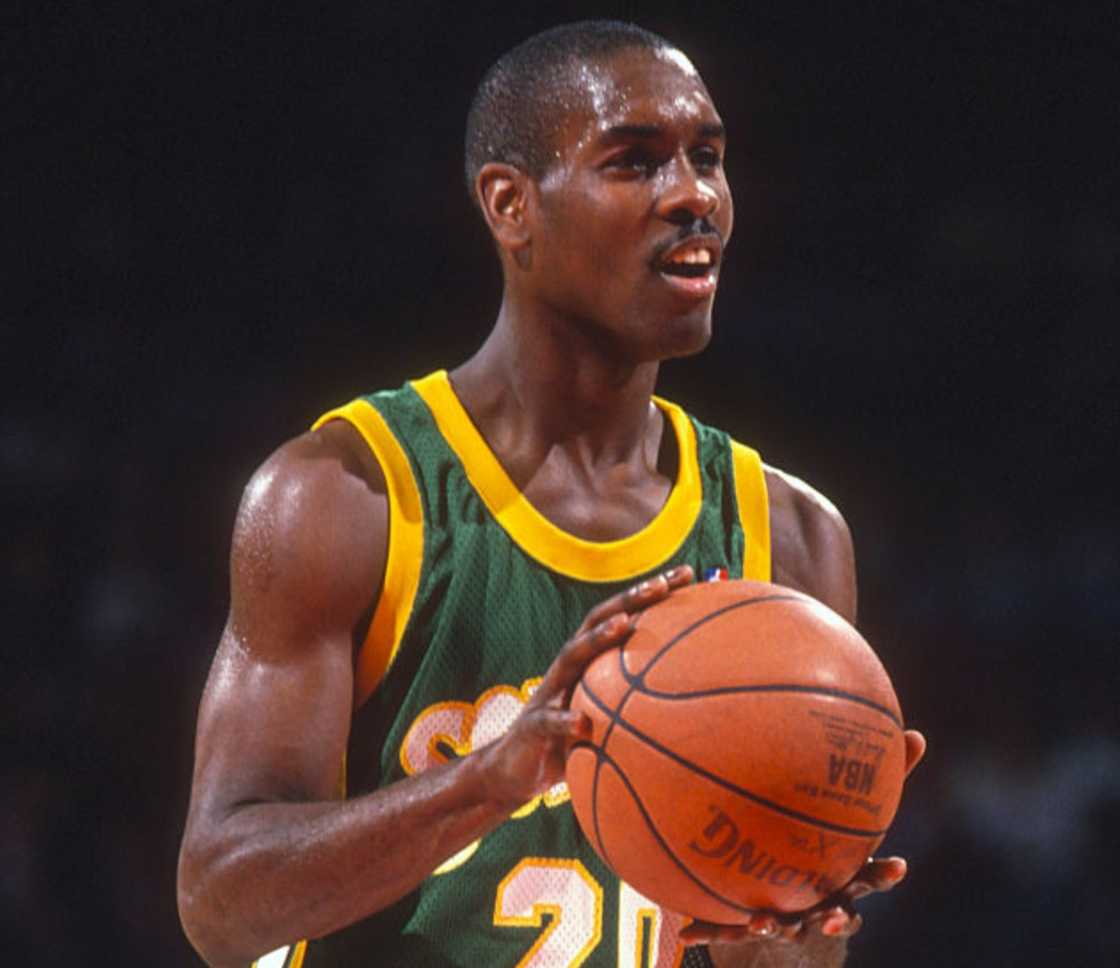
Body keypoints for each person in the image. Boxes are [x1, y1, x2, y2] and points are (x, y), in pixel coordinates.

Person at [177, 20, 925, 968]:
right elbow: (219, 904)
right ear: (510, 205)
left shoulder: (791, 535)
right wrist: (490, 781)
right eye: (635, 162)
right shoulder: (341, 497)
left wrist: (793, 904)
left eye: (708, 157)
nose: (693, 194)